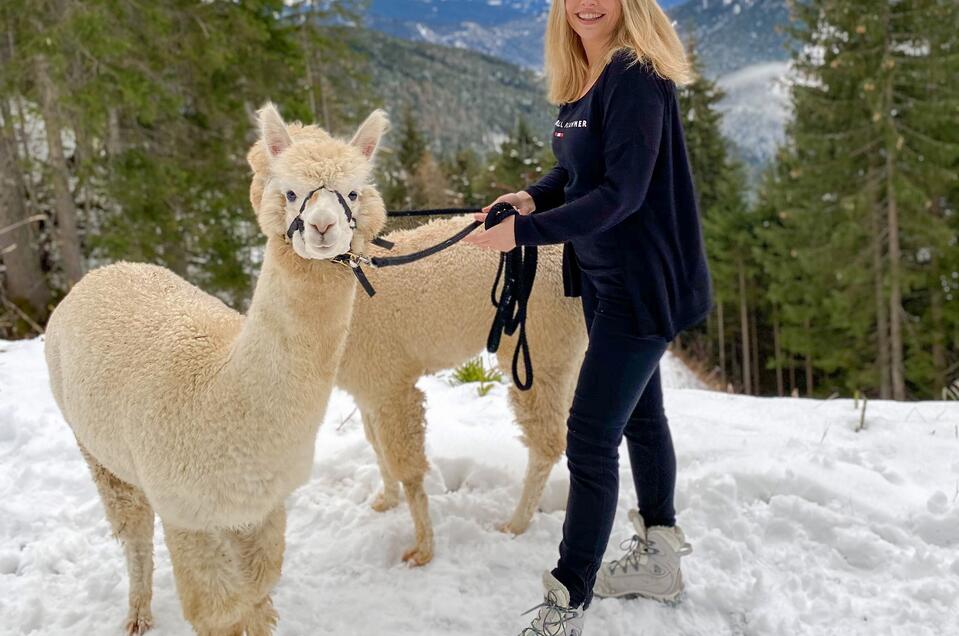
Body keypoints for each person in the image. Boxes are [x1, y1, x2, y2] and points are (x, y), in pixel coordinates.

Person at [462, 0, 712, 633]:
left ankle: (565, 602)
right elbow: (580, 171)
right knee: (642, 417)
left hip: (642, 283)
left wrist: (526, 232)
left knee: (590, 436)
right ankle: (659, 555)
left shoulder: (633, 73)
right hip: (604, 279)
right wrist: (531, 195)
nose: (585, 2)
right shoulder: (590, 74)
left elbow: (622, 194)